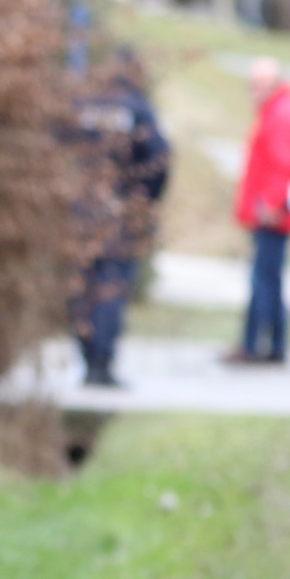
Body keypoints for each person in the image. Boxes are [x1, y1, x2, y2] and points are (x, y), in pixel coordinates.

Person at [62, 48, 170, 387]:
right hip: (119, 214)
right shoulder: (137, 109)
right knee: (111, 288)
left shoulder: (81, 104)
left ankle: (87, 358)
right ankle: (102, 363)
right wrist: (143, 200)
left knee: (83, 287)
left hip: (80, 212)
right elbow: (160, 159)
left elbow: (56, 148)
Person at [225, 57, 290, 364]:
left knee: (263, 280)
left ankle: (254, 345)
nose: (254, 92)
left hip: (273, 213)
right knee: (271, 279)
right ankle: (275, 345)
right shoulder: (280, 110)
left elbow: (283, 166)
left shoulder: (281, 115)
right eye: (251, 85)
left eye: (259, 85)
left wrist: (271, 206)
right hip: (274, 210)